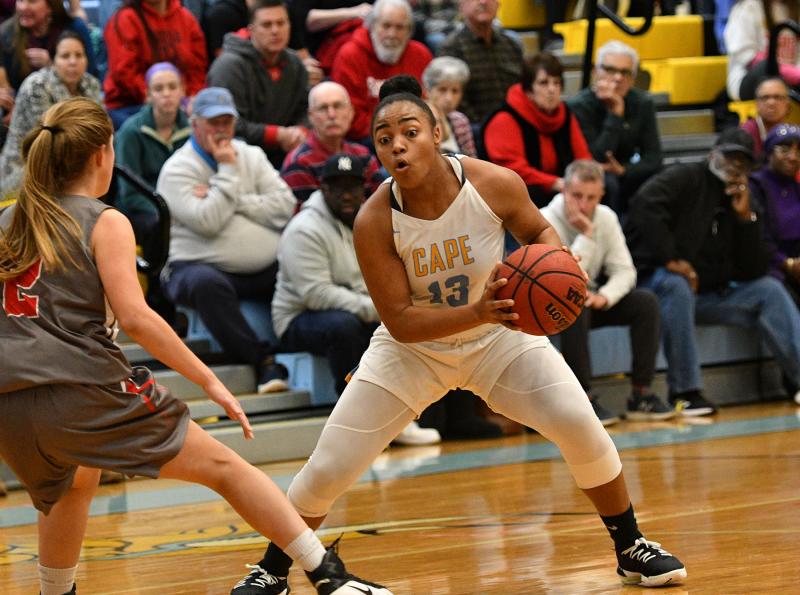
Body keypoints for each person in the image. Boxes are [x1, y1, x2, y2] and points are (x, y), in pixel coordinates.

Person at [230, 74, 687, 594]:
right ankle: (272, 569)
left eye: (409, 131)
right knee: (329, 466)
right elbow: (400, 320)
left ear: (437, 130)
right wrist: (480, 311)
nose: (397, 144)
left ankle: (630, 546)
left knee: (581, 425)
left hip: (500, 339)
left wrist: (558, 259)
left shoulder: (492, 183)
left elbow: (538, 231)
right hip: (413, 351)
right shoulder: (375, 220)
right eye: (384, 138)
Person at [0, 96, 391, 595]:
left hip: (10, 403)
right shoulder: (105, 221)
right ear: (102, 153)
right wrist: (208, 380)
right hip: (78, 387)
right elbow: (138, 318)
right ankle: (327, 575)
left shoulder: (9, 219)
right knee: (224, 467)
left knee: (73, 485)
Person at [625, 127, 800, 414]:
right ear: (712, 154)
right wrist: (670, 258)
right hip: (656, 284)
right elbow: (643, 205)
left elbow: (752, 269)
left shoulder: (743, 199)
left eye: (742, 161)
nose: (735, 165)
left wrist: (747, 220)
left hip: (707, 294)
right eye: (729, 156)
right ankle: (686, 391)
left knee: (769, 289)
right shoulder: (685, 176)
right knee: (676, 284)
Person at [272, 152, 440, 444]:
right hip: (297, 320)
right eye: (337, 187)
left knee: (419, 321)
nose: (346, 195)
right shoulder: (304, 229)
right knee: (344, 327)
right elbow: (316, 294)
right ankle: (358, 423)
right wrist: (381, 309)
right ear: (323, 189)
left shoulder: (373, 220)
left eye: (352, 187)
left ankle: (414, 416)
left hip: (360, 309)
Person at [157, 87, 293, 394]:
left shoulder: (252, 155)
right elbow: (209, 221)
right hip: (194, 266)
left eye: (227, 123)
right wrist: (229, 170)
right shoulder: (178, 169)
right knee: (207, 285)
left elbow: (284, 206)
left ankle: (303, 347)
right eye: (213, 122)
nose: (221, 131)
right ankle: (264, 363)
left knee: (298, 265)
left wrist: (232, 198)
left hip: (262, 267)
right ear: (195, 125)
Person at [540, 160, 676, 426]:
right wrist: (587, 235)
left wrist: (605, 297)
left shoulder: (607, 217)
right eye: (577, 195)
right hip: (549, 307)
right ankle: (583, 401)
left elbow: (626, 271)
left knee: (645, 302)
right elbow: (562, 277)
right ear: (564, 191)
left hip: (588, 301)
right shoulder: (544, 219)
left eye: (591, 197)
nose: (583, 205)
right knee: (574, 305)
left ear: (601, 195)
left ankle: (641, 395)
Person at [481, 52, 592, 208]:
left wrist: (585, 180)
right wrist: (554, 183)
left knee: (604, 184)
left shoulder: (564, 114)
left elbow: (582, 158)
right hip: (519, 190)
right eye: (544, 83)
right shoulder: (505, 118)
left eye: (557, 83)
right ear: (528, 90)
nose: (552, 89)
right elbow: (513, 171)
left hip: (561, 185)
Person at [207, 0, 310, 169]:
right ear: (252, 30)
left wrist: (300, 131)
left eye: (281, 23)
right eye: (267, 25)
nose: (275, 30)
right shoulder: (228, 66)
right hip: (240, 152)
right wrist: (277, 135)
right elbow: (228, 124)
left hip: (286, 148)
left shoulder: (295, 63)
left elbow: (306, 108)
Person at [0, 31, 100, 197]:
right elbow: (51, 142)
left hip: (73, 167)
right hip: (27, 169)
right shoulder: (37, 86)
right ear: (53, 61)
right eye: (65, 56)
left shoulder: (91, 84)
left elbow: (100, 130)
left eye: (79, 55)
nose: (73, 62)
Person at [567, 40, 662, 214]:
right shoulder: (579, 106)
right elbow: (597, 158)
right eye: (610, 70)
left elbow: (654, 158)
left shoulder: (643, 103)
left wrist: (624, 170)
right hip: (589, 176)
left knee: (662, 181)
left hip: (627, 172)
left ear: (633, 79)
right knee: (609, 183)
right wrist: (615, 114)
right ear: (596, 72)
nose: (618, 78)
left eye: (625, 72)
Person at [114, 62, 190, 271]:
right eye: (159, 89)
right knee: (157, 226)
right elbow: (130, 193)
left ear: (182, 90)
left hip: (179, 203)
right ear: (148, 95)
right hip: (142, 208)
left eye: (172, 87)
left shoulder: (192, 129)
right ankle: (157, 282)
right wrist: (168, 211)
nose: (167, 94)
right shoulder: (131, 132)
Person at [331, 0, 432, 142]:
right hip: (368, 137)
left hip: (414, 134)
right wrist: (392, 134)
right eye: (386, 26)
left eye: (400, 27)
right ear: (372, 26)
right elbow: (349, 114)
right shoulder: (349, 55)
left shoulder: (421, 55)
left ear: (409, 31)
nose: (392, 34)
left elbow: (429, 102)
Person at [103, 0, 208, 129]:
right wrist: (158, 97)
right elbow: (124, 72)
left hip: (180, 102)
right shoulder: (125, 19)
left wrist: (192, 97)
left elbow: (197, 68)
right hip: (130, 105)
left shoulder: (185, 18)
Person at [281, 81, 384, 204]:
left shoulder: (364, 155)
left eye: (338, 106)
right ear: (311, 116)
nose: (332, 115)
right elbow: (308, 217)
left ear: (351, 112)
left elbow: (381, 207)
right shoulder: (298, 163)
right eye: (323, 108)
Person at [437, 0, 522, 126]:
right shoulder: (451, 48)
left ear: (498, 4)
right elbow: (452, 100)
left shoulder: (511, 45)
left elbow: (523, 89)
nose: (483, 2)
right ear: (461, 6)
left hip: (514, 126)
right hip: (473, 130)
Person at [750, 124, 800, 322]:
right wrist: (786, 263)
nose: (793, 157)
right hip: (770, 267)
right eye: (785, 149)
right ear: (769, 152)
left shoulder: (796, 188)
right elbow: (757, 238)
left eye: (798, 151)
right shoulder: (755, 186)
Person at [0, 0, 96, 94]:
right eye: (20, 0)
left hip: (69, 103)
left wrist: (52, 66)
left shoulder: (75, 28)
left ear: (50, 6)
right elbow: (7, 89)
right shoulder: (6, 33)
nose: (23, 7)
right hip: (23, 105)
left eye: (32, 1)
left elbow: (89, 76)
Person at [724, 0, 799, 101]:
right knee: (765, 66)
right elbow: (746, 56)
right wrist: (789, 73)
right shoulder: (748, 7)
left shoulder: (795, 8)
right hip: (748, 78)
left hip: (790, 80)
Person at [421, 55, 476, 157]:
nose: (449, 98)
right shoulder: (416, 119)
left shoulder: (460, 120)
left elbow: (473, 160)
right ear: (427, 90)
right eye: (442, 89)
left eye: (455, 91)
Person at [740, 77, 792, 161]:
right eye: (765, 98)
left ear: (788, 104)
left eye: (778, 97)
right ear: (756, 104)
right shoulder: (746, 133)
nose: (771, 103)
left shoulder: (792, 133)